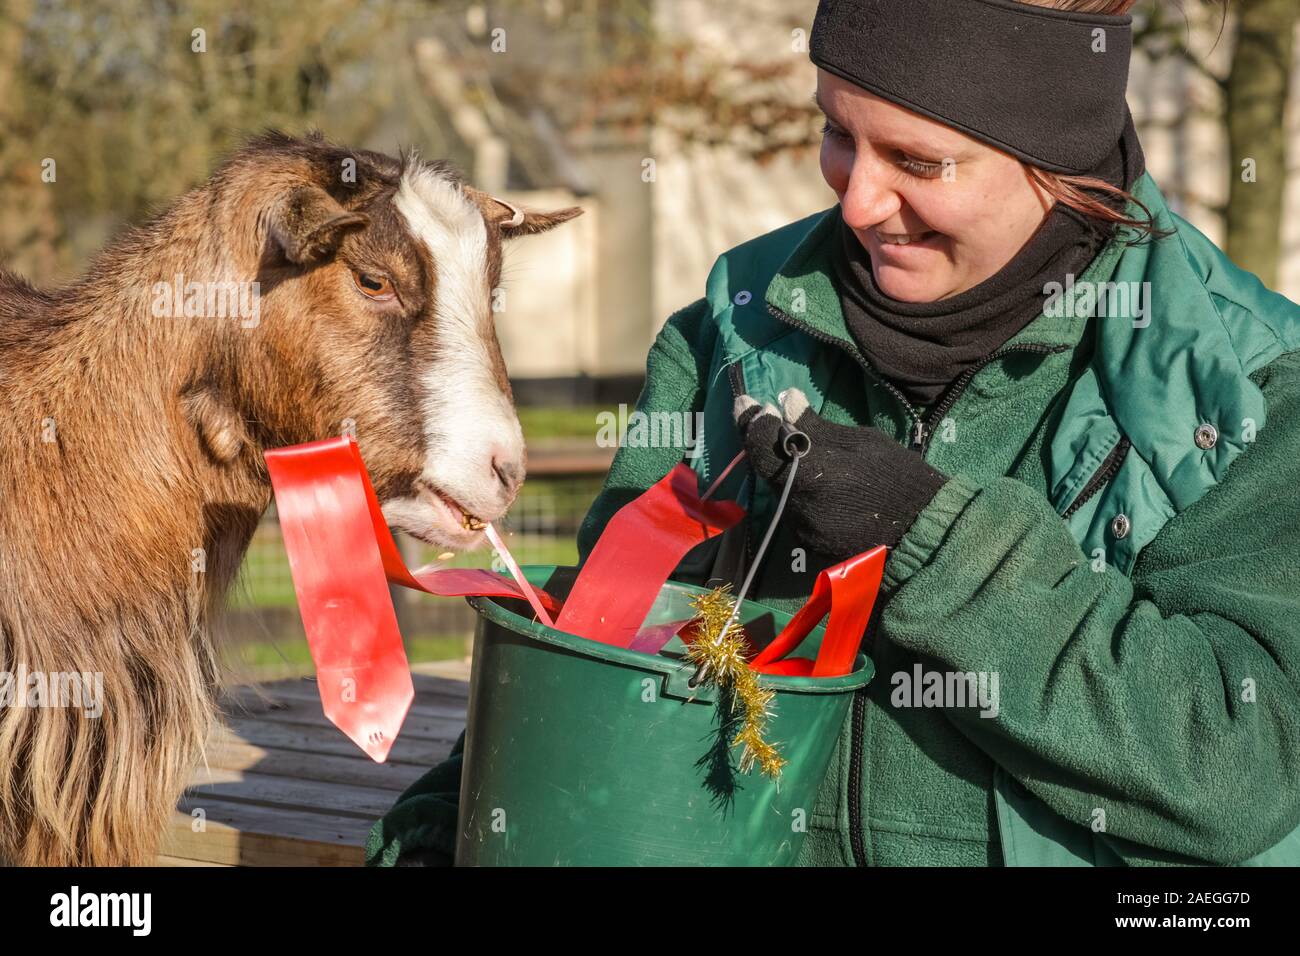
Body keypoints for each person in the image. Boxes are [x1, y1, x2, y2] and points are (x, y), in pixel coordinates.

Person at [368, 0, 1300, 866]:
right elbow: (605, 665)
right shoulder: (732, 334)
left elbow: (1241, 762)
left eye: (918, 162)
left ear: (1057, 160)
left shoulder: (1244, 385)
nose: (857, 203)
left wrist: (930, 540)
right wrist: (432, 836)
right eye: (836, 134)